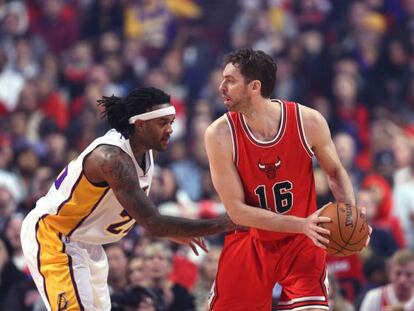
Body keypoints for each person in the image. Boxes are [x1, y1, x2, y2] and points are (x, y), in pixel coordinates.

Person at [20, 87, 235, 311]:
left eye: (171, 121)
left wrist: (172, 230)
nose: (170, 129)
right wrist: (221, 224)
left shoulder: (143, 149)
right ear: (140, 125)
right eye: (163, 123)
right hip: (54, 235)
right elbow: (153, 222)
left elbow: (133, 210)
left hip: (87, 240)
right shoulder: (112, 159)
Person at [204, 49, 367, 310]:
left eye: (230, 80)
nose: (221, 87)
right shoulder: (219, 134)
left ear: (254, 86)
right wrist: (302, 224)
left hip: (302, 242)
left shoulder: (308, 121)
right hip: (251, 240)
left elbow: (335, 172)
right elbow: (237, 211)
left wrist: (350, 216)